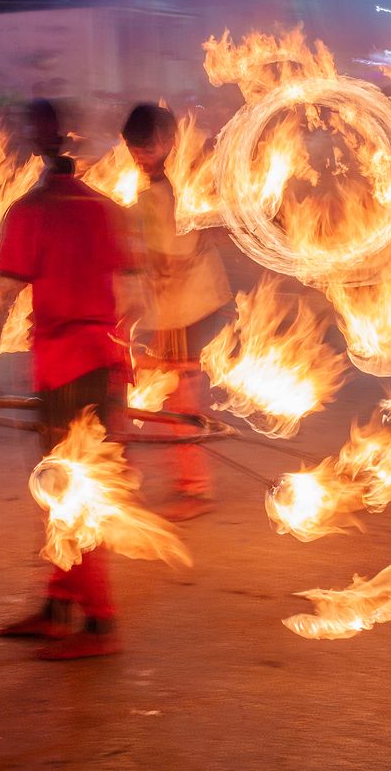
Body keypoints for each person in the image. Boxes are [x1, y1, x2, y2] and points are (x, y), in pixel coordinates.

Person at [0, 99, 136, 660]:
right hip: (104, 364)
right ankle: (59, 606)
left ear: (33, 151)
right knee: (65, 491)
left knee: (71, 495)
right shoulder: (106, 209)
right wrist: (127, 366)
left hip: (68, 371)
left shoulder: (30, 211)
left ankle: (100, 625)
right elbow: (135, 295)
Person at [121, 103, 232, 521]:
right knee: (163, 390)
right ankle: (176, 480)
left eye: (146, 146)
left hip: (187, 309)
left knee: (179, 396)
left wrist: (165, 327)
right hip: (175, 307)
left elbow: (170, 262)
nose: (139, 154)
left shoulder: (170, 190)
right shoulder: (156, 187)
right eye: (133, 147)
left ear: (167, 142)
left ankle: (195, 489)